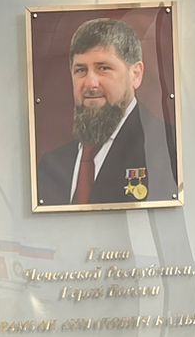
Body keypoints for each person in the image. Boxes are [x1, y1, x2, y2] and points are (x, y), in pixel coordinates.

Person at [34, 17, 179, 207]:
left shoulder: (166, 149)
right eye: (80, 70)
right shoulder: (51, 166)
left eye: (103, 68)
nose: (90, 83)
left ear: (136, 74)